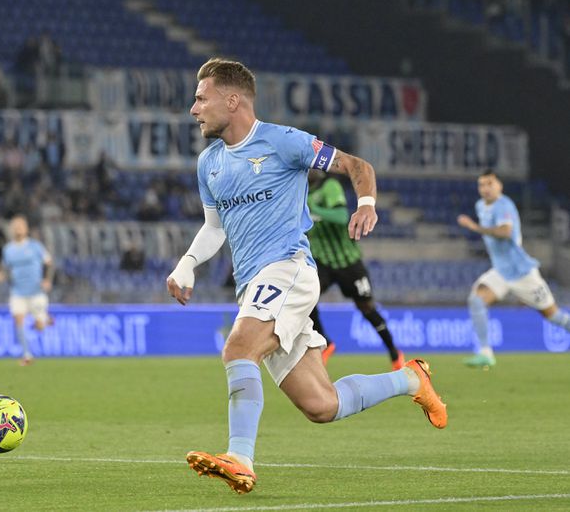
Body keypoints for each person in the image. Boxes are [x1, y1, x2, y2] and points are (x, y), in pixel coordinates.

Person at [166, 58, 447, 494]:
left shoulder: (284, 142)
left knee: (239, 348)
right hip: (253, 285)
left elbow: (358, 166)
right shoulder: (210, 164)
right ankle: (411, 379)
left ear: (232, 99)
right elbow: (214, 227)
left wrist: (367, 203)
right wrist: (186, 263)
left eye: (201, 98)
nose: (194, 108)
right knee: (322, 405)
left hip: (289, 268)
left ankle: (240, 458)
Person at [457, 170, 570, 367]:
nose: (485, 189)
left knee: (554, 317)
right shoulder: (480, 205)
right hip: (501, 271)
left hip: (522, 272)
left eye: (490, 184)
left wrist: (476, 228)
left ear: (499, 185)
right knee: (476, 300)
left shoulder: (504, 205)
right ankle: (486, 353)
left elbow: (505, 232)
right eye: (481, 185)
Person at [306, 170, 404, 369]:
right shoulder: (301, 192)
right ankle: (326, 342)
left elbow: (341, 216)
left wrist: (314, 209)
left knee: (367, 308)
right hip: (322, 261)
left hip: (347, 261)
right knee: (305, 298)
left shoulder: (329, 186)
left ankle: (395, 353)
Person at [0, 215, 53, 366]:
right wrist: (1, 275)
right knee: (18, 319)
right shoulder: (8, 250)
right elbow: (5, 268)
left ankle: (44, 320)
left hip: (36, 291)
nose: (18, 229)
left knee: (39, 327)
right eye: (15, 226)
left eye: (21, 226)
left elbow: (49, 262)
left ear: (26, 228)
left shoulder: (35, 246)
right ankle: (27, 354)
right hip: (18, 292)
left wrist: (47, 279)